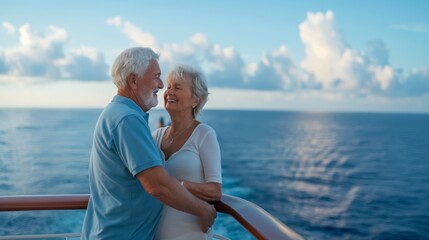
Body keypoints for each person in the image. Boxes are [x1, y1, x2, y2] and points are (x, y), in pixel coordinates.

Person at [81, 47, 216, 240]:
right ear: (133, 80)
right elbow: (158, 186)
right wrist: (204, 210)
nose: (161, 85)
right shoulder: (127, 119)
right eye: (156, 76)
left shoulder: (118, 112)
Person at [152, 64, 222, 240]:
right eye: (168, 87)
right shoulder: (156, 136)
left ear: (195, 99)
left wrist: (178, 184)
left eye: (177, 87)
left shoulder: (204, 135)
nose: (169, 92)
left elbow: (215, 191)